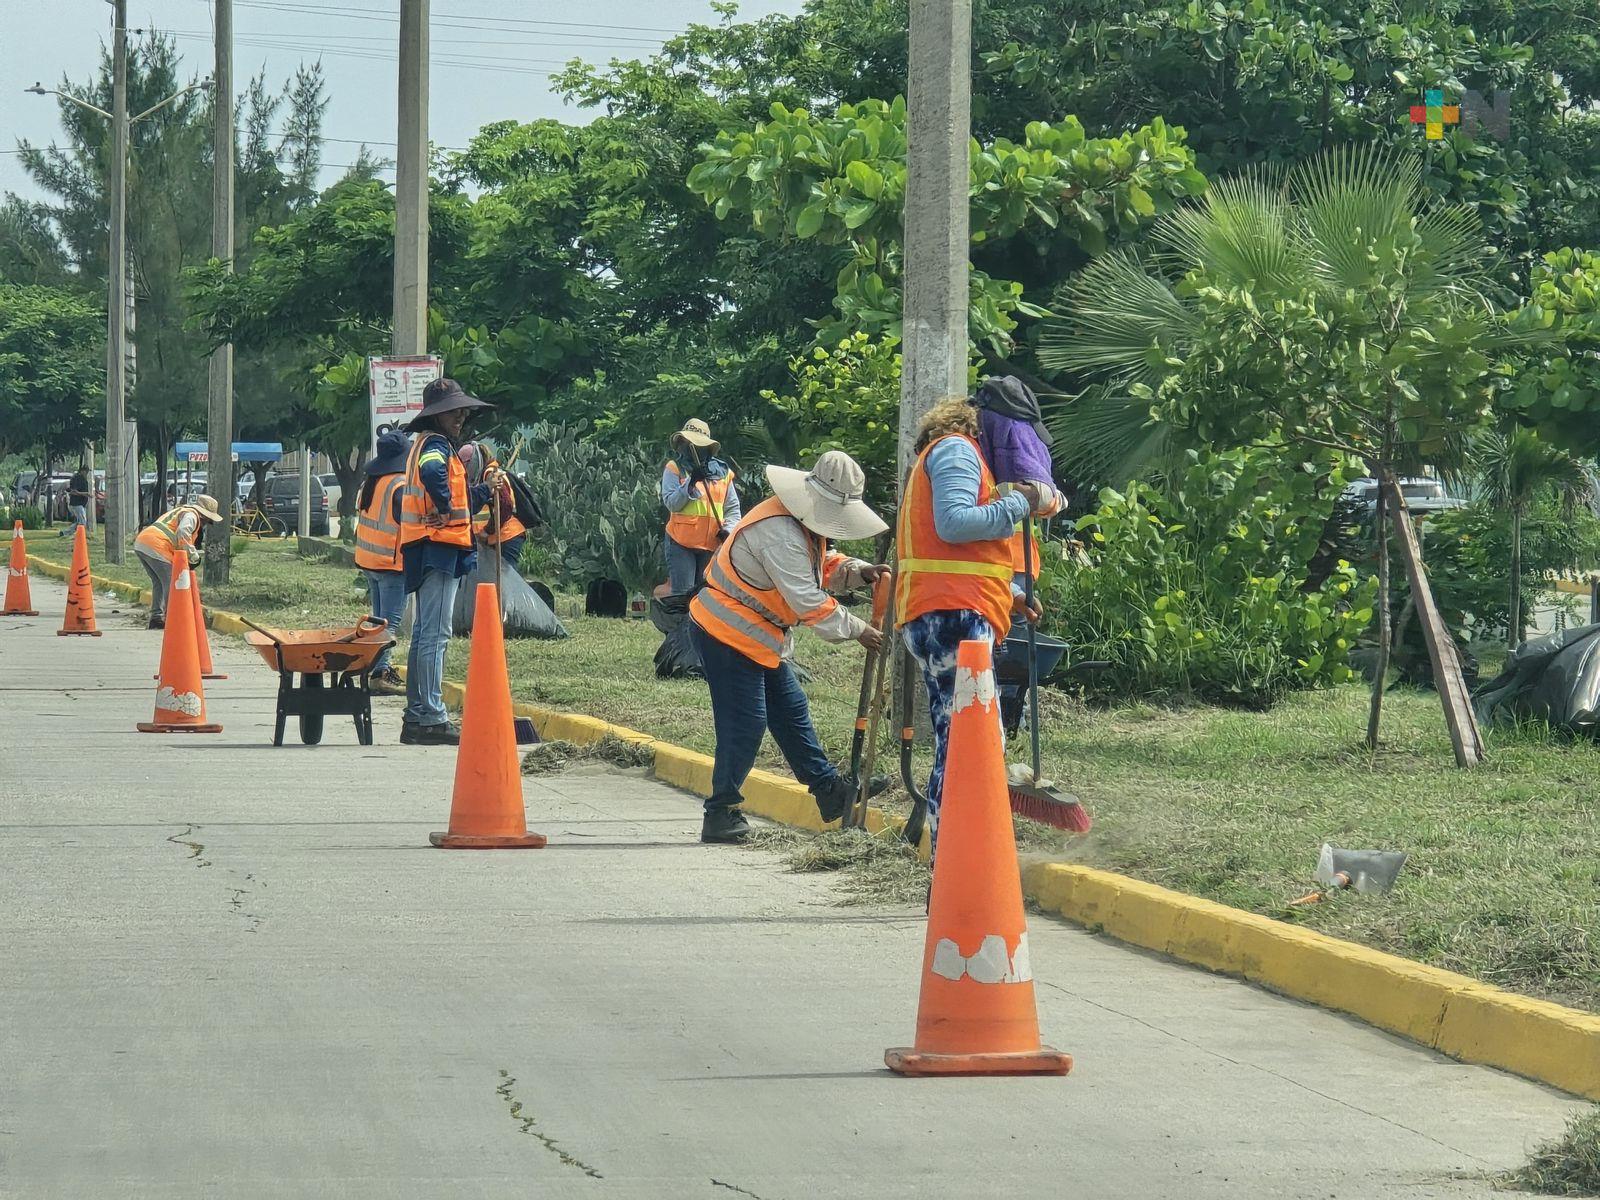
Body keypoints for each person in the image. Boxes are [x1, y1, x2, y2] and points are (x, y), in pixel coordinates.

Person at [688, 450, 889, 844]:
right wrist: (859, 630)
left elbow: (819, 564)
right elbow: (807, 600)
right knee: (746, 724)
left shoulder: (799, 525)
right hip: (725, 631)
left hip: (757, 635)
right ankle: (720, 813)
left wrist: (858, 571)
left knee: (790, 710)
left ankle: (828, 791)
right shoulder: (778, 532)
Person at [895, 398, 1053, 853]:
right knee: (969, 744)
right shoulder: (957, 450)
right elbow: (955, 524)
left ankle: (952, 857)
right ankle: (954, 860)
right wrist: (1019, 503)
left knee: (963, 740)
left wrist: (1012, 594)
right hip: (953, 614)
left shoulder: (953, 452)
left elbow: (956, 551)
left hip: (948, 611)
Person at [398, 378, 506, 745]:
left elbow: (462, 501)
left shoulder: (431, 445)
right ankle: (431, 716)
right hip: (438, 547)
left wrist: (485, 490)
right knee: (435, 634)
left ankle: (417, 715)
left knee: (423, 633)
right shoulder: (435, 446)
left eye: (461, 412)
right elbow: (433, 475)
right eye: (452, 412)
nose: (459, 417)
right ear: (435, 416)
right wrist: (444, 505)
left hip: (427, 546)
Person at [353, 429, 411, 696]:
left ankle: (373, 669)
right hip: (391, 563)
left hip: (370, 561)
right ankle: (380, 673)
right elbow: (408, 521)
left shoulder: (371, 482)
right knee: (389, 624)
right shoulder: (399, 485)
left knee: (378, 622)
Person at [661, 419, 741, 596]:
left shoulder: (724, 473)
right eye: (687, 443)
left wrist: (728, 530)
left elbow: (733, 509)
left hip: (712, 544)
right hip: (680, 543)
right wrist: (691, 482)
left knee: (704, 596)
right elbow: (672, 503)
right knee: (683, 596)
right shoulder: (674, 468)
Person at [132, 494, 226, 630]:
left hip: (142, 543)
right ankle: (172, 619)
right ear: (203, 516)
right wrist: (192, 555)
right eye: (208, 521)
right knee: (171, 583)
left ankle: (156, 617)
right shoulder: (192, 516)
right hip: (157, 546)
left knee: (159, 583)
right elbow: (183, 532)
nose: (205, 525)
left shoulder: (180, 511)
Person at [59, 465, 91, 538]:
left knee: (79, 522)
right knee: (83, 521)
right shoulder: (77, 478)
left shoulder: (83, 479)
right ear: (82, 471)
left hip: (81, 504)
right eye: (86, 471)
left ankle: (65, 533)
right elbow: (73, 491)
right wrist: (85, 494)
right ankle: (79, 536)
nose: (87, 473)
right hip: (76, 504)